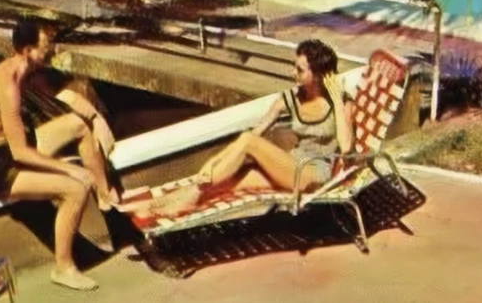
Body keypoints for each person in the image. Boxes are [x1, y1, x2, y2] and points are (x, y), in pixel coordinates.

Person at [0, 19, 116, 292]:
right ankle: (63, 267)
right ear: (26, 49)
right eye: (46, 45)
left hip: (9, 150)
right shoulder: (8, 85)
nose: (52, 49)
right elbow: (20, 152)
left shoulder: (26, 70)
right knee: (75, 189)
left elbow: (62, 95)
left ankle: (107, 198)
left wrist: (96, 118)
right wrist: (69, 169)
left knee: (78, 126)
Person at [142, 39, 354, 217]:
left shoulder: (341, 102)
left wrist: (336, 101)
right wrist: (213, 161)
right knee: (231, 181)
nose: (292, 73)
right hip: (290, 165)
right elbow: (253, 135)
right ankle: (177, 197)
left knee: (247, 142)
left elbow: (346, 148)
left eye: (299, 69)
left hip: (313, 175)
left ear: (317, 75)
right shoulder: (289, 99)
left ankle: (189, 196)